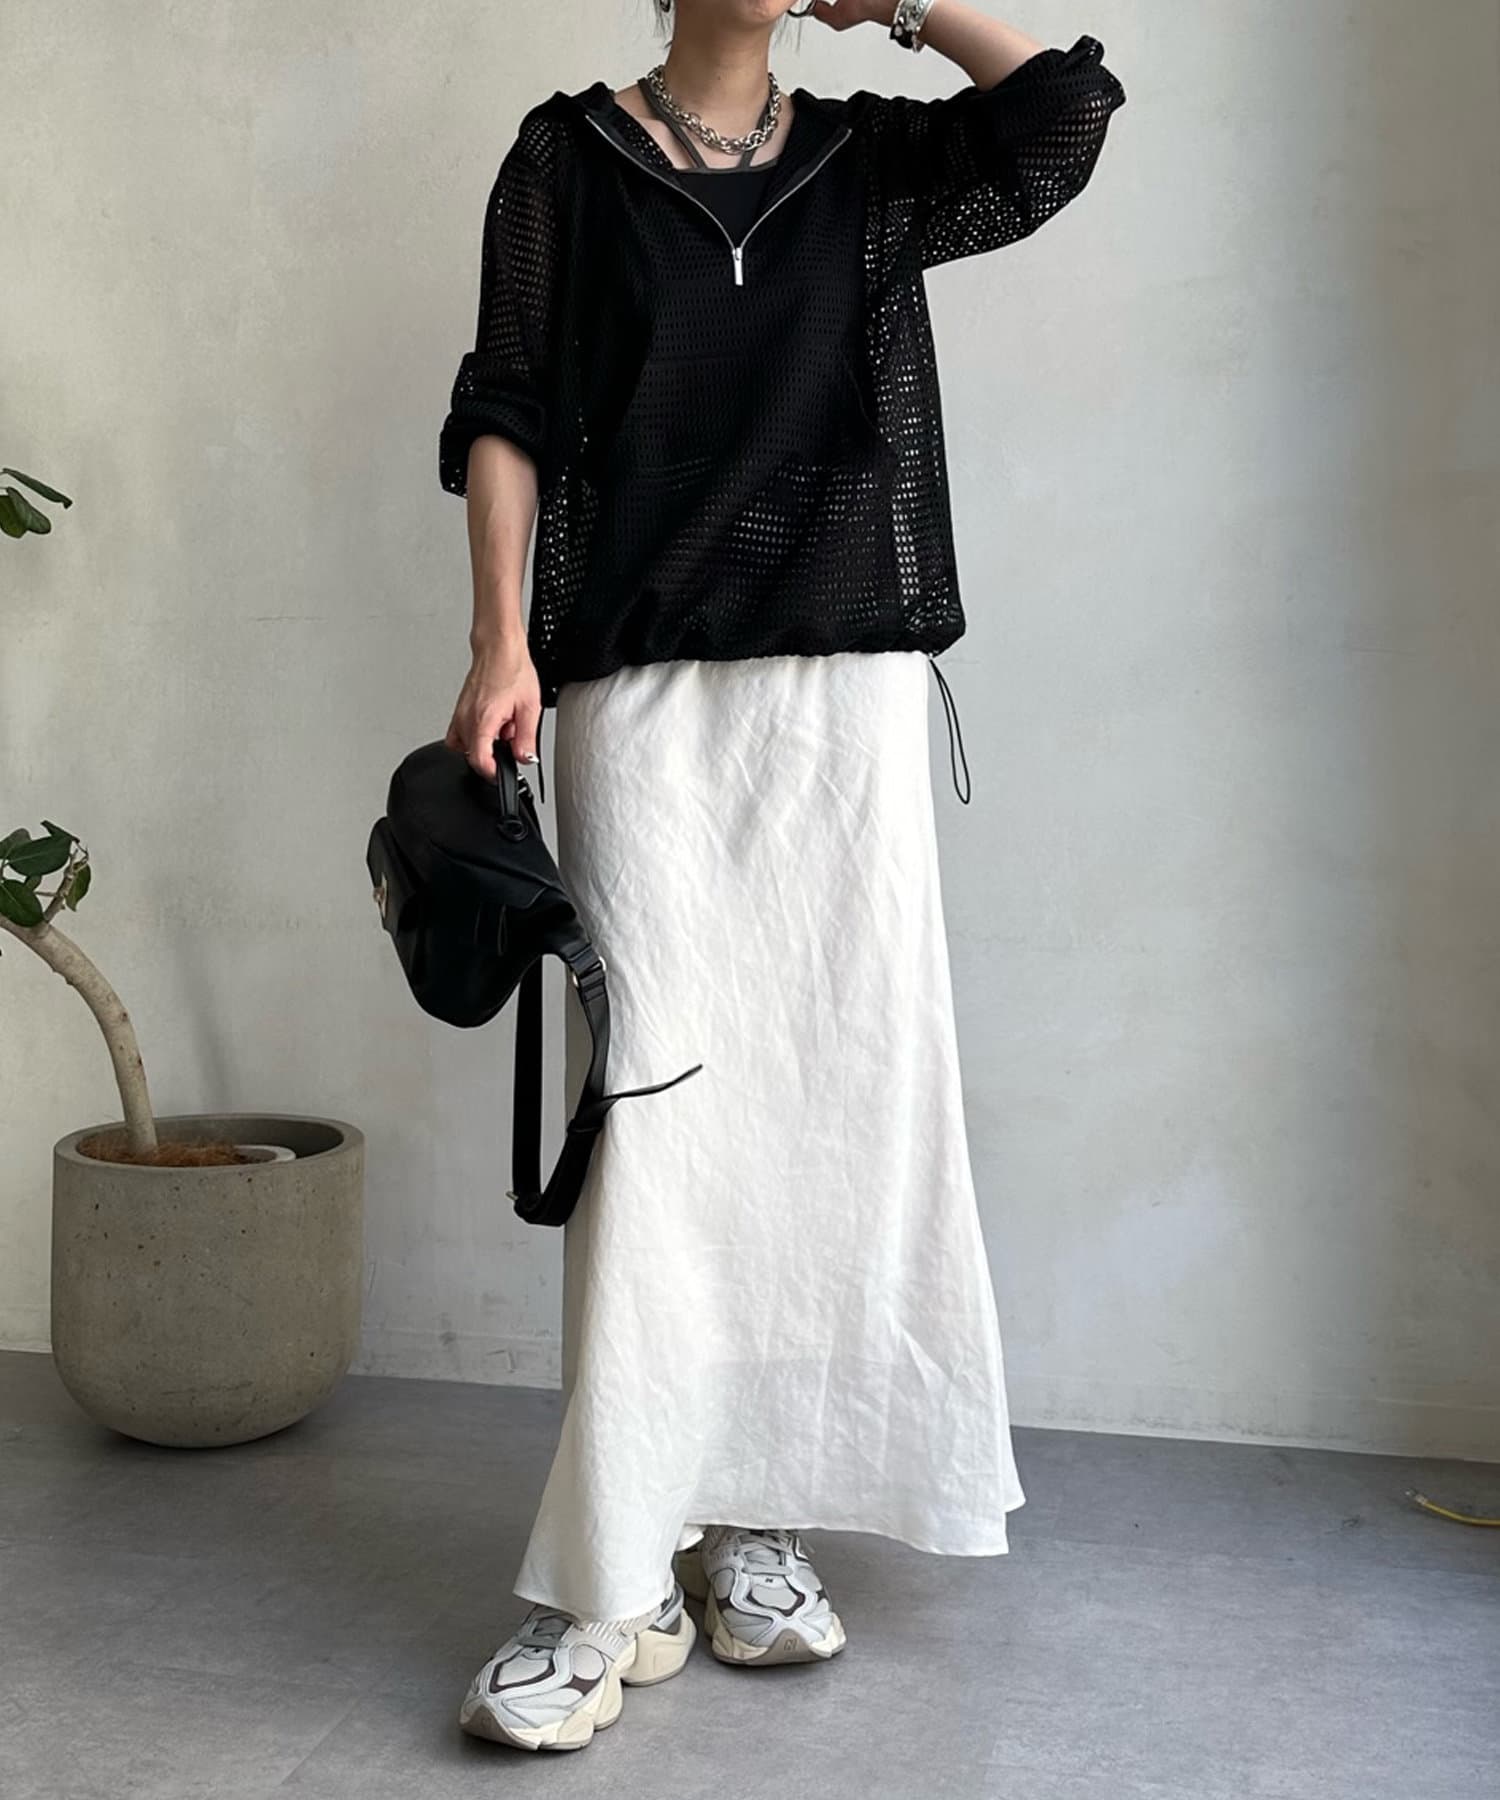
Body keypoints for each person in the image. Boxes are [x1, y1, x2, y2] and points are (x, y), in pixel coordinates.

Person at [439, 0, 1125, 1754]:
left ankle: (756, 1514)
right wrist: (501, 641)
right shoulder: (565, 160)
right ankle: (615, 1577)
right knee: (656, 1118)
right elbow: (505, 404)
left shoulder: (869, 162)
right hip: (640, 690)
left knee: (833, 1106)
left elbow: (1058, 124)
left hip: (846, 701)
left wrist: (909, 4)